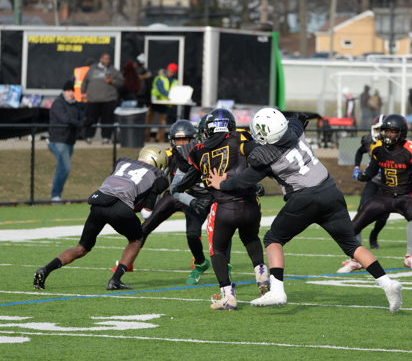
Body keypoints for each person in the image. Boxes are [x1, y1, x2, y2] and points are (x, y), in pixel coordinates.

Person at [208, 107, 403, 313]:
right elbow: (299, 118)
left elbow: (241, 181)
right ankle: (387, 283)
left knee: (273, 239)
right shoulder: (295, 129)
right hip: (330, 191)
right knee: (351, 245)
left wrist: (222, 183)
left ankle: (277, 291)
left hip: (304, 199)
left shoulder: (265, 157)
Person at [33, 146, 169, 291]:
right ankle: (115, 280)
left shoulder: (122, 162)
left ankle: (45, 270)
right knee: (136, 240)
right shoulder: (158, 176)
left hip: (99, 203)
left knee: (81, 248)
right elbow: (146, 213)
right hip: (120, 208)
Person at [172, 108, 269, 310]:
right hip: (250, 203)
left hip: (224, 207)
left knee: (217, 250)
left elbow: (189, 178)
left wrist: (178, 187)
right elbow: (259, 153)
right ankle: (261, 273)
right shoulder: (239, 137)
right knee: (251, 238)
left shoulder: (198, 150)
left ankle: (227, 296)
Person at [338, 113, 412, 274]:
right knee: (352, 227)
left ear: (401, 133)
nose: (388, 135)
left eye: (393, 131)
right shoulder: (378, 149)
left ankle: (410, 256)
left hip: (404, 196)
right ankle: (356, 260)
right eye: (386, 131)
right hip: (383, 196)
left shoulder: (410, 150)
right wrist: (363, 176)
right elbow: (371, 171)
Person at [139, 119, 215, 285]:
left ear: (193, 139)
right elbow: (156, 173)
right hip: (175, 196)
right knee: (145, 227)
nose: (181, 144)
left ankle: (201, 262)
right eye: (178, 140)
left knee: (196, 233)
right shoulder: (168, 155)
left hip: (197, 196)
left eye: (185, 140)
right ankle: (126, 263)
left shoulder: (201, 153)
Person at [351, 114, 389, 249]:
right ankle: (356, 241)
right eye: (377, 129)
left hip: (389, 183)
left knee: (383, 215)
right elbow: (359, 151)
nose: (379, 133)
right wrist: (357, 167)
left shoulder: (397, 144)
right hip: (373, 179)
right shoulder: (368, 140)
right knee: (362, 208)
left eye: (382, 129)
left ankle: (374, 236)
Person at [47, 80, 86, 203]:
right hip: (57, 140)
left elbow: (82, 116)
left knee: (62, 168)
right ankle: (55, 196)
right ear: (64, 91)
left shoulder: (75, 104)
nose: (71, 93)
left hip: (69, 141)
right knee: (65, 167)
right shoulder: (58, 103)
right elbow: (65, 119)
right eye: (68, 91)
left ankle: (56, 194)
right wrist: (80, 123)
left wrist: (85, 122)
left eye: (72, 91)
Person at [81, 52, 124, 144]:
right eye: (105, 58)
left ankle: (106, 137)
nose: (107, 60)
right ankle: (88, 136)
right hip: (93, 99)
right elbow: (85, 81)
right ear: (101, 59)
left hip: (108, 100)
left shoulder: (113, 70)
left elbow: (121, 82)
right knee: (91, 119)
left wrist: (112, 81)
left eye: (108, 58)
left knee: (107, 120)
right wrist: (83, 92)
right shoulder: (92, 69)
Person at [151, 63, 179, 142]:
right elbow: (161, 89)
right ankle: (146, 136)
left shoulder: (174, 81)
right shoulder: (160, 78)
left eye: (172, 72)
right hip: (155, 101)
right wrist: (170, 95)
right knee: (150, 118)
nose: (170, 73)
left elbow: (175, 90)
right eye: (170, 71)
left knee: (162, 120)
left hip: (165, 102)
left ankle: (160, 137)